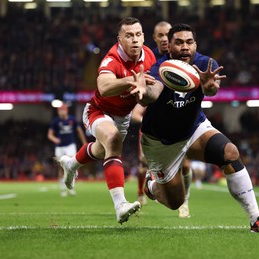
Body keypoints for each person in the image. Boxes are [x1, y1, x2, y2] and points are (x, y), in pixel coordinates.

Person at [137, 23, 259, 232]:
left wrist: (209, 87)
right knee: (175, 203)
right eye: (178, 42)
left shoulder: (206, 64)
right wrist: (143, 91)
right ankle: (152, 186)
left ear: (196, 44)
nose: (185, 47)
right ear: (169, 46)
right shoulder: (159, 67)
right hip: (161, 143)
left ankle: (256, 219)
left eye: (189, 42)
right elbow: (151, 94)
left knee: (230, 153)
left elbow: (212, 89)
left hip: (193, 129)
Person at [55, 17, 157, 224]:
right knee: (112, 139)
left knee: (102, 149)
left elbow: (152, 89)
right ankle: (120, 205)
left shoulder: (149, 56)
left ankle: (71, 164)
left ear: (144, 37)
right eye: (129, 36)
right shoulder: (112, 59)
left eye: (138, 35)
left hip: (123, 117)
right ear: (119, 39)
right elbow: (103, 86)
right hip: (98, 111)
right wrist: (131, 79)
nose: (135, 40)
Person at [132, 21, 192, 218]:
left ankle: (185, 201)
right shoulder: (149, 61)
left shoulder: (181, 58)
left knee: (185, 165)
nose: (165, 38)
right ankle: (143, 192)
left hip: (179, 116)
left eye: (168, 34)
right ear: (155, 37)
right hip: (154, 122)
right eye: (161, 35)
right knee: (143, 163)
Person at [48, 104, 88, 197]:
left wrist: (84, 143)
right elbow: (50, 134)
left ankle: (71, 188)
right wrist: (55, 139)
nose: (61, 112)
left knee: (71, 165)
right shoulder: (55, 121)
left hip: (70, 145)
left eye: (63, 110)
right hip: (59, 147)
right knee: (61, 168)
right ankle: (63, 189)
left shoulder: (72, 120)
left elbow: (79, 131)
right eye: (59, 110)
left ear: (66, 110)